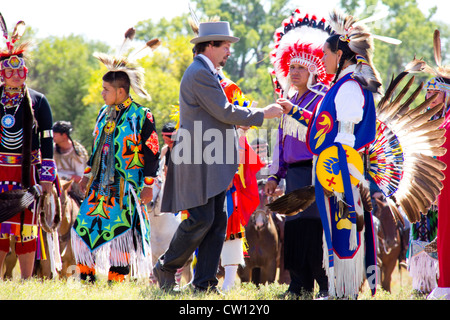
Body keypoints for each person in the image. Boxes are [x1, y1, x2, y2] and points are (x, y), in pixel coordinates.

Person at [155, 20, 283, 293]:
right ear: (210, 46)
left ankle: (204, 283)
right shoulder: (201, 73)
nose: (229, 51)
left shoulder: (205, 71)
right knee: (202, 219)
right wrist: (263, 113)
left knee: (216, 222)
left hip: (210, 162)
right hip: (199, 160)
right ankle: (166, 266)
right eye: (225, 46)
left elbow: (220, 115)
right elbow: (224, 111)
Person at [277, 9, 381, 298]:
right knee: (336, 230)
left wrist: (337, 175)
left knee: (343, 228)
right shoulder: (342, 85)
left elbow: (344, 139)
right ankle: (338, 290)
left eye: (325, 53)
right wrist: (294, 111)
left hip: (341, 173)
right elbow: (325, 128)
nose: (322, 59)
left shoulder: (348, 86)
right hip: (335, 171)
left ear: (340, 55)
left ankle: (344, 290)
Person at [71, 43, 160, 283]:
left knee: (121, 231)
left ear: (121, 91)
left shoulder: (142, 115)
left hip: (126, 186)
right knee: (83, 228)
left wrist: (149, 184)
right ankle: (86, 278)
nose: (102, 93)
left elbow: (152, 152)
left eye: (106, 89)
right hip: (100, 184)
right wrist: (87, 175)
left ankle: (116, 280)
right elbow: (96, 148)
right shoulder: (103, 113)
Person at [265, 10, 332, 298]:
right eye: (291, 68)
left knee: (315, 230)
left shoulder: (323, 98)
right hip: (292, 174)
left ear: (314, 71)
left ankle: (324, 284)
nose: (294, 73)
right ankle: (299, 283)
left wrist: (295, 111)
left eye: (300, 68)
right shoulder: (288, 102)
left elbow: (321, 127)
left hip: (316, 172)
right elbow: (280, 144)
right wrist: (273, 176)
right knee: (294, 227)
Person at [0, 16, 55, 279]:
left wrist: (47, 177)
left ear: (26, 73)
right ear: (2, 73)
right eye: (9, 72)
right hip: (0, 173)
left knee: (27, 227)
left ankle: (25, 282)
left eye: (20, 71)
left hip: (27, 173)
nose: (15, 76)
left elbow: (47, 140)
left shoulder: (38, 101)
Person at [52, 120, 89, 202]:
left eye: (55, 135)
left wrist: (67, 180)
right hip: (56, 185)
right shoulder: (52, 150)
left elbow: (80, 176)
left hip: (75, 189)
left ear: (64, 135)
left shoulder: (78, 152)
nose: (52, 137)